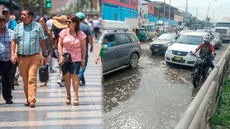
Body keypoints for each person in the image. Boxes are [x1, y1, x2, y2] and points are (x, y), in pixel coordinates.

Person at [11, 10, 47, 108]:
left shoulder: (37, 26)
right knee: (25, 79)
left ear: (30, 16)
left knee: (32, 78)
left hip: (34, 56)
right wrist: (13, 54)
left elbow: (42, 40)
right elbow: (14, 41)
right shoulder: (18, 27)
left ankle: (32, 99)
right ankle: (28, 98)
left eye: (24, 15)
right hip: (22, 57)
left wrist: (44, 53)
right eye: (21, 14)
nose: (22, 16)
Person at [58, 15, 86, 106]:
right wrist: (61, 55)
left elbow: (83, 48)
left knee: (75, 77)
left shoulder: (80, 34)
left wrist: (83, 59)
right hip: (65, 58)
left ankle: (76, 96)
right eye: (67, 22)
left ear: (74, 23)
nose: (67, 23)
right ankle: (68, 96)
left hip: (76, 58)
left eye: (69, 22)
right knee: (66, 77)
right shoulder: (63, 32)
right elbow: (59, 44)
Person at [76, 12, 94, 86]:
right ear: (83, 19)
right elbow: (90, 38)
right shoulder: (86, 27)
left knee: (78, 64)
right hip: (84, 49)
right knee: (84, 63)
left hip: (74, 49)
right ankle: (79, 77)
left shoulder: (73, 26)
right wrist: (92, 46)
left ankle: (82, 81)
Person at [0, 15, 14, 104]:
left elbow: (14, 45)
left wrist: (14, 55)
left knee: (6, 80)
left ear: (5, 22)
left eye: (2, 21)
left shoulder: (11, 33)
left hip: (7, 60)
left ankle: (8, 97)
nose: (0, 23)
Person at [51, 15, 68, 87]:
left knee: (60, 62)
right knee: (64, 62)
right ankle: (61, 78)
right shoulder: (66, 28)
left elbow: (52, 37)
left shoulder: (54, 26)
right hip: (65, 45)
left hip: (57, 45)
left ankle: (61, 78)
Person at [38, 16, 53, 86]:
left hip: (46, 50)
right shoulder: (37, 31)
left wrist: (52, 50)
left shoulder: (48, 31)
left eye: (42, 21)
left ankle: (45, 79)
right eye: (39, 21)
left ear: (45, 22)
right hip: (39, 50)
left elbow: (51, 41)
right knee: (41, 65)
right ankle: (42, 80)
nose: (40, 23)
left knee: (45, 65)